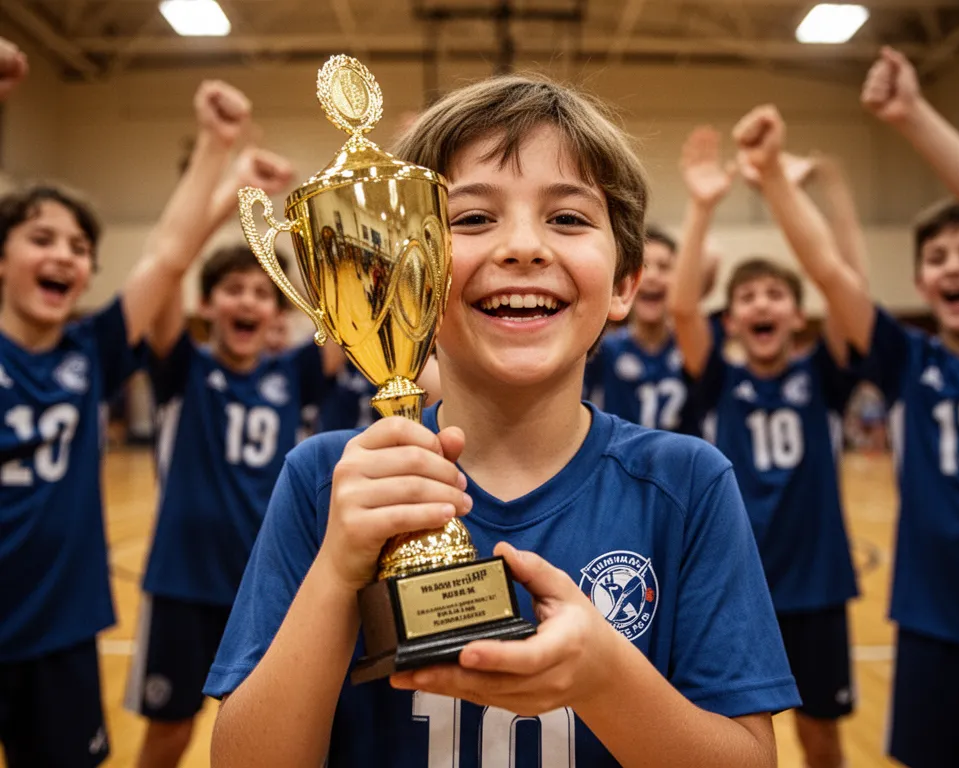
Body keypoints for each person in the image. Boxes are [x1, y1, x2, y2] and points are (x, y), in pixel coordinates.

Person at [203, 75, 800, 767]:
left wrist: (605, 679)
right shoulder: (328, 481)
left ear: (626, 283)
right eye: (472, 219)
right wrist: (339, 572)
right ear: (405, 264)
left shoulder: (688, 484)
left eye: (569, 219)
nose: (523, 246)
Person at [0, 37, 251, 766]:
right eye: (41, 238)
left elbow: (169, 256)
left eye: (81, 246)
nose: (66, 255)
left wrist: (216, 142)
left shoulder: (91, 353)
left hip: (62, 630)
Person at [669, 123, 865, 768]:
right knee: (728, 733)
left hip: (816, 585)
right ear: (733, 322)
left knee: (820, 734)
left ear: (796, 316)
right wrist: (702, 206)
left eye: (776, 295)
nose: (762, 304)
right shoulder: (721, 380)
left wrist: (832, 188)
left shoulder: (821, 377)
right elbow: (683, 312)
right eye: (748, 296)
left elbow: (843, 281)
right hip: (736, 581)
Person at [126, 204, 348, 766]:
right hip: (183, 579)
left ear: (279, 311)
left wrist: (308, 236)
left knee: (273, 729)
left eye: (261, 291)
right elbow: (166, 274)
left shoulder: (291, 375)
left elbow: (338, 321)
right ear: (207, 306)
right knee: (171, 733)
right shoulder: (185, 371)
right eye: (232, 289)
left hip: (267, 579)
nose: (248, 300)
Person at [857, 48, 959, 767]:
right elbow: (835, 280)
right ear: (921, 281)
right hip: (932, 617)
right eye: (938, 257)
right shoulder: (908, 360)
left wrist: (913, 117)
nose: (955, 265)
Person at [584, 227, 718, 435]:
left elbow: (712, 259)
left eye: (664, 267)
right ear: (625, 282)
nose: (653, 275)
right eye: (643, 266)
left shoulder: (692, 346)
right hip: (624, 463)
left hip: (681, 463)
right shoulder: (605, 349)